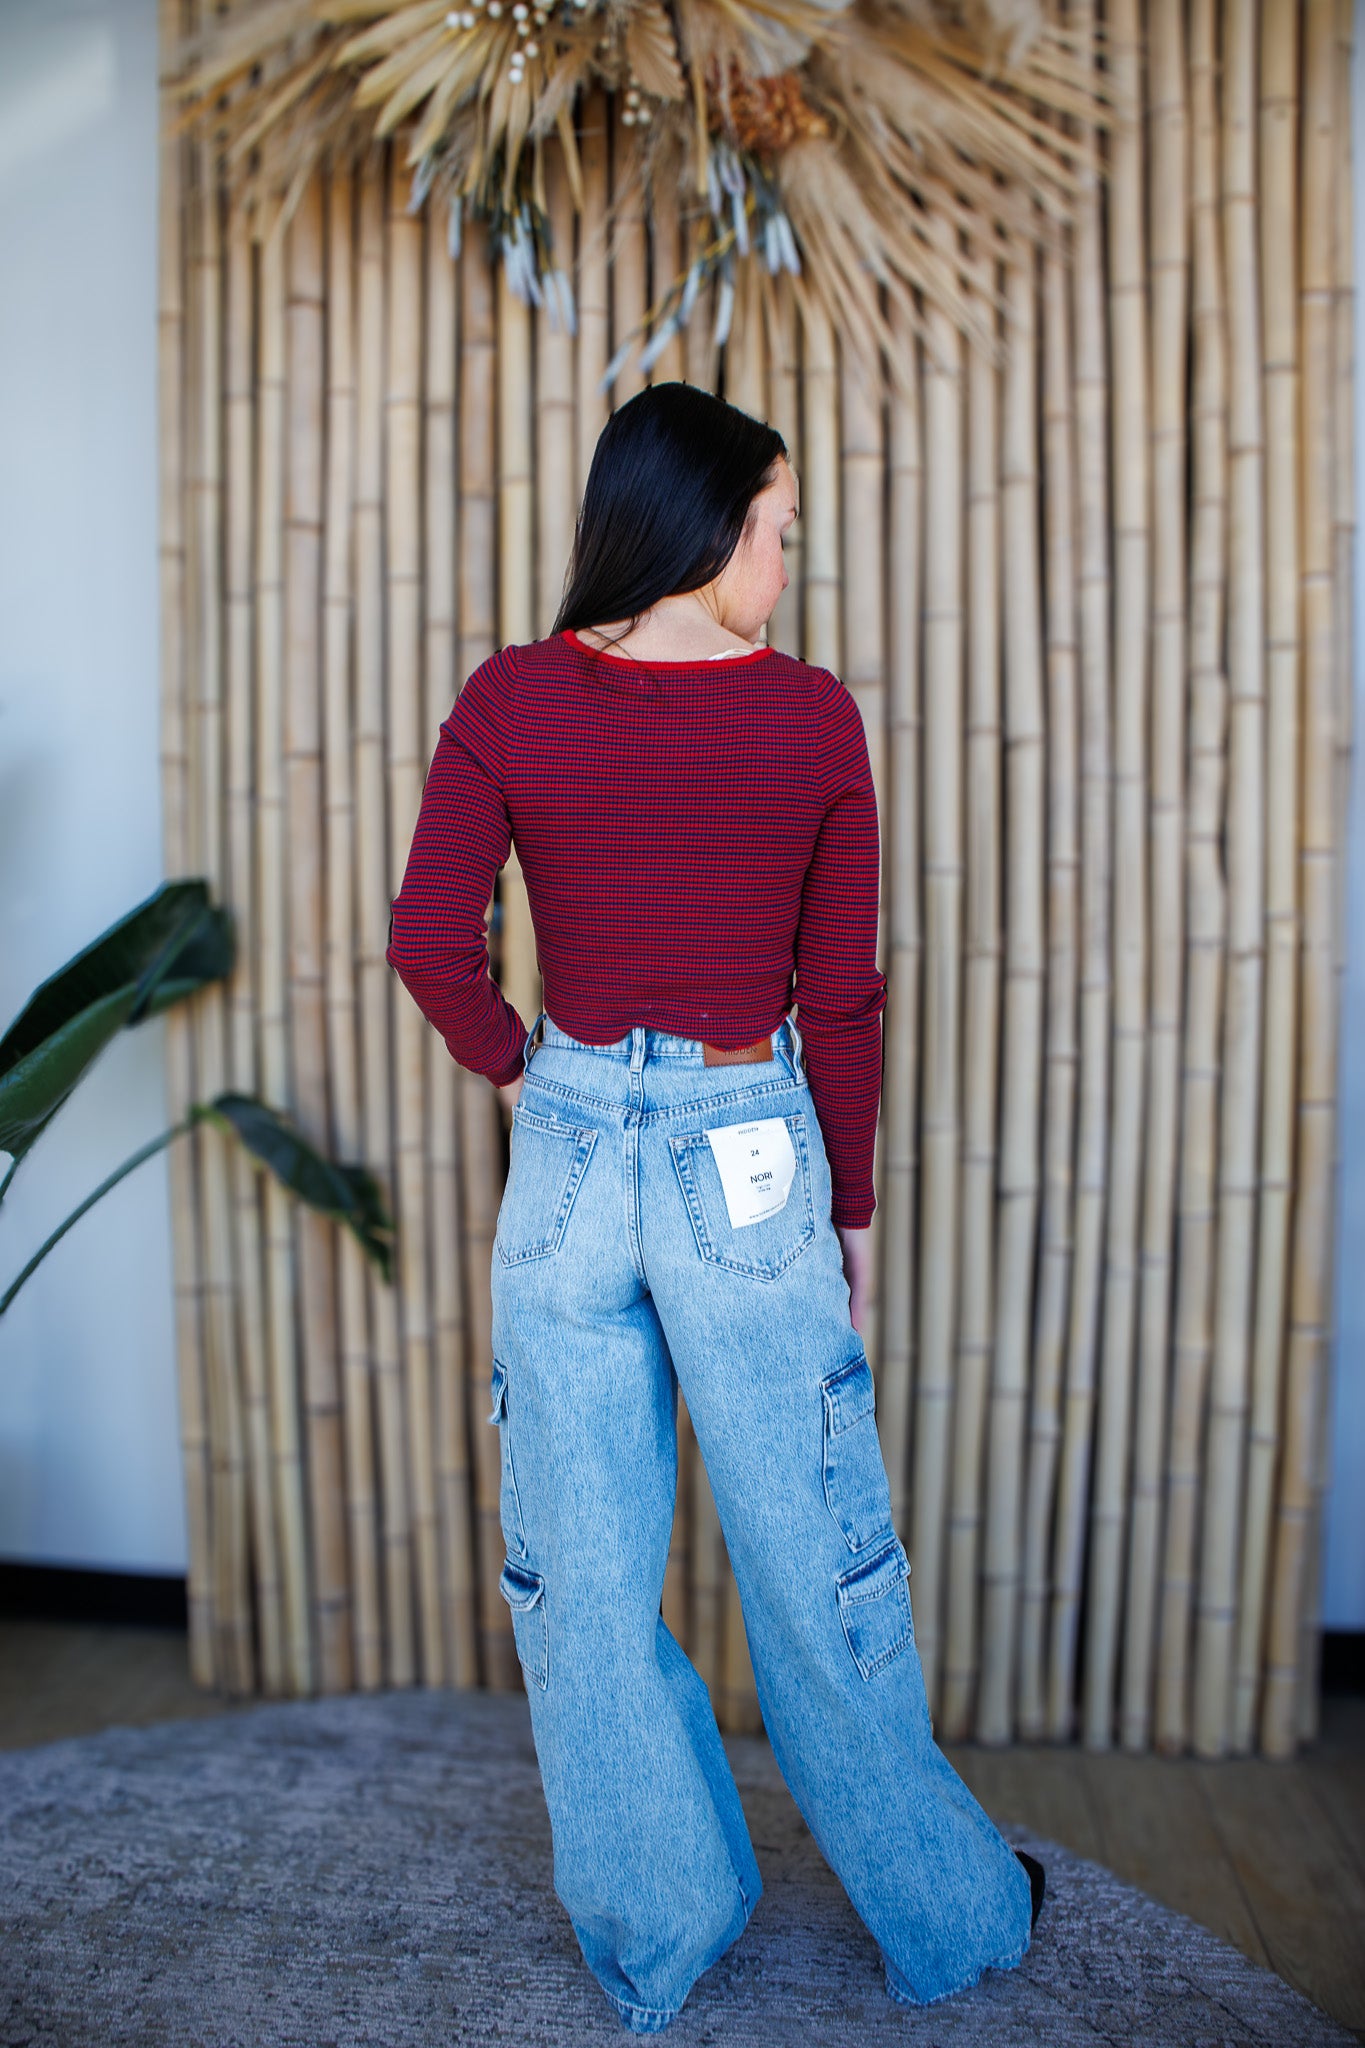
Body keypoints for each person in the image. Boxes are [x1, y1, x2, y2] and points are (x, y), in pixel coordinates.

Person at [386, 380, 1044, 2034]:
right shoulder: (811, 718)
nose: (785, 561)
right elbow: (847, 995)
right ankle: (949, 1922)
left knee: (581, 1585)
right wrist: (856, 1215)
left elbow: (425, 941)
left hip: (571, 1151)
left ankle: (659, 1937)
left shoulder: (512, 698)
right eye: (779, 528)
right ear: (711, 522)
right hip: (748, 1148)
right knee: (816, 1563)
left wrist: (536, 1078)